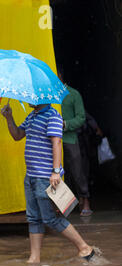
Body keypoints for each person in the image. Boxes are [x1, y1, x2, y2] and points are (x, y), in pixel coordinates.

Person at [1, 101, 95, 263]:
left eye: (32, 95)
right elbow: (17, 136)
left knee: (50, 218)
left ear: (41, 97)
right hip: (31, 176)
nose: (28, 98)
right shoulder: (32, 116)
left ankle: (84, 247)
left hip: (46, 177)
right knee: (33, 218)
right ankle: (35, 257)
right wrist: (8, 117)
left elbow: (56, 142)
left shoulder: (52, 116)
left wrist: (56, 171)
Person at [58, 71, 92, 216]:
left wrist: (65, 124)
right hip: (52, 141)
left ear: (60, 76)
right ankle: (62, 205)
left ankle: (85, 200)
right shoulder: (46, 96)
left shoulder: (73, 94)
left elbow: (81, 118)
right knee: (56, 173)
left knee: (77, 171)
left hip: (70, 139)